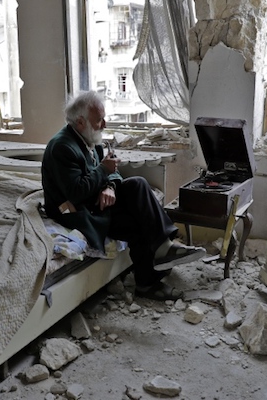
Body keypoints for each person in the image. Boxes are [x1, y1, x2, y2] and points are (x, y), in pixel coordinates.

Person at [41, 91, 205, 300]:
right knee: (137, 223)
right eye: (99, 120)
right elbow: (76, 192)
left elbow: (114, 171)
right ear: (80, 122)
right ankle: (148, 282)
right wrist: (103, 170)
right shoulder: (62, 147)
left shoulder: (90, 139)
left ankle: (164, 249)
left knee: (138, 184)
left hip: (95, 201)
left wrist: (110, 186)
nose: (104, 124)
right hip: (77, 212)